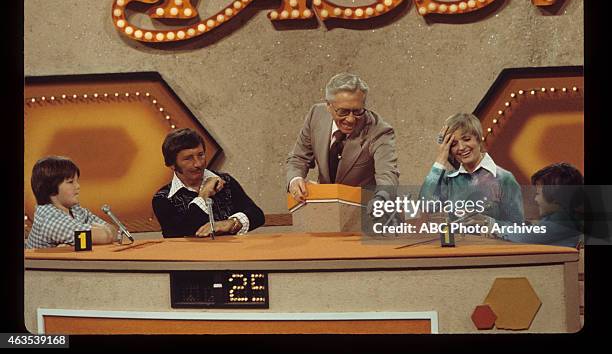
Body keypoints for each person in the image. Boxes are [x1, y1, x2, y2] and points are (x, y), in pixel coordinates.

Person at [287, 72, 399, 202]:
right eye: (343, 111)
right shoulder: (316, 115)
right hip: (325, 209)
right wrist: (295, 179)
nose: (350, 119)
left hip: (364, 211)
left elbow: (388, 174)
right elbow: (299, 158)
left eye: (357, 111)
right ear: (328, 106)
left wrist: (382, 198)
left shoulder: (380, 131)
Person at [152, 128, 265, 238]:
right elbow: (180, 234)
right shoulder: (162, 199)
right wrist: (204, 195)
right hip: (191, 256)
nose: (198, 164)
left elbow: (257, 215)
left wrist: (230, 223)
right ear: (172, 165)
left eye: (201, 155)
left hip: (233, 254)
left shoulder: (225, 180)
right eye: (188, 158)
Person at [419, 113, 524, 225]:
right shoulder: (449, 180)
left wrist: (487, 222)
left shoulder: (504, 178)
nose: (461, 147)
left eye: (467, 139)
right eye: (453, 144)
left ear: (478, 138)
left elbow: (519, 228)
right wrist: (440, 159)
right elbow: (425, 206)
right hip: (457, 242)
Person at [26, 156, 116, 249]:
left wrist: (78, 241)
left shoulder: (74, 209)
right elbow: (105, 236)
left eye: (77, 181)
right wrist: (98, 231)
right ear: (50, 187)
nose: (78, 186)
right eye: (70, 182)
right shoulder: (50, 219)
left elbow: (114, 231)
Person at [503, 163, 584, 247]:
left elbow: (522, 236)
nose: (535, 199)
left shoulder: (563, 222)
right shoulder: (564, 219)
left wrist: (493, 225)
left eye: (538, 194)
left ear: (555, 197)